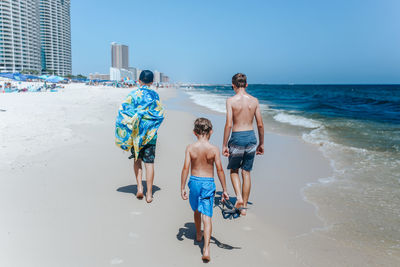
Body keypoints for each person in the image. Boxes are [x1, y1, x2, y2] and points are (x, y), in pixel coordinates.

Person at [181, 118, 229, 262]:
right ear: (211, 132)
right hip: (208, 183)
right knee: (207, 216)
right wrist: (225, 189)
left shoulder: (190, 148)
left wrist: (182, 187)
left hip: (194, 181)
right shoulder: (213, 149)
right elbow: (220, 170)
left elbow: (185, 168)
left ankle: (198, 234)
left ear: (195, 132)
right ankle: (206, 249)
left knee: (196, 210)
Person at [115, 70, 165, 203]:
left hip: (136, 134)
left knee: (137, 160)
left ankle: (139, 189)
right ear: (152, 82)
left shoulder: (133, 94)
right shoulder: (155, 95)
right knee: (150, 163)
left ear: (139, 81)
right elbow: (158, 114)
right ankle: (149, 194)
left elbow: (124, 111)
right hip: (150, 134)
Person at [222, 73, 264, 216]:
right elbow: (260, 124)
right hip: (251, 137)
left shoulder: (230, 101)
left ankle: (239, 198)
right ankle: (244, 207)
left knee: (234, 170)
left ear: (233, 85)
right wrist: (261, 143)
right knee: (246, 172)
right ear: (246, 85)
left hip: (237, 137)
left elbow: (228, 124)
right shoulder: (255, 101)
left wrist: (224, 145)